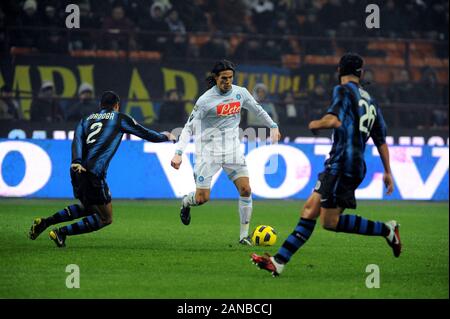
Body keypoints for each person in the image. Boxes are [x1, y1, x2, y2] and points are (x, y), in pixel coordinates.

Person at [251, 53, 402, 276]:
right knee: (310, 210)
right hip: (344, 164)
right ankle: (279, 261)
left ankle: (386, 229)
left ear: (339, 69)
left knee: (330, 222)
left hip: (343, 164)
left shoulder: (342, 90)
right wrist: (388, 171)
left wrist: (316, 123)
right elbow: (380, 140)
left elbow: (333, 120)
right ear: (360, 73)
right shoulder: (371, 101)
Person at [28, 91, 176, 247]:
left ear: (100, 105)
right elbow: (146, 134)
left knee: (89, 208)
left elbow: (76, 140)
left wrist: (76, 161)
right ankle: (61, 232)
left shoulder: (86, 120)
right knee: (106, 218)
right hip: (93, 173)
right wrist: (165, 136)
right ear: (117, 105)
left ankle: (45, 222)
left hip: (76, 170)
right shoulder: (119, 118)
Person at [170, 60, 281, 245]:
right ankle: (186, 202)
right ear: (215, 78)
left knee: (246, 190)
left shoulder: (240, 93)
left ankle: (243, 236)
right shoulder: (205, 101)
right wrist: (178, 153)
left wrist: (273, 126)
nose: (227, 81)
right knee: (202, 198)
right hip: (208, 153)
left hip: (233, 151)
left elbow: (258, 110)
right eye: (224, 78)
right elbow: (188, 127)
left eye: (230, 78)